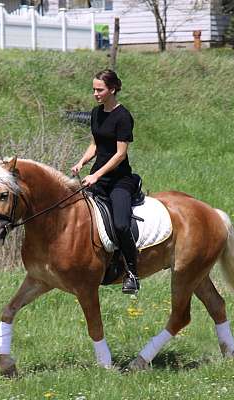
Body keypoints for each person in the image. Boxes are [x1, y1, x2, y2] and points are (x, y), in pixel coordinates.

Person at [71, 69, 140, 294]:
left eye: (99, 90)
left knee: (120, 224)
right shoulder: (96, 113)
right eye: (93, 89)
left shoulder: (123, 117)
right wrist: (81, 162)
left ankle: (132, 272)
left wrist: (97, 174)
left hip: (120, 180)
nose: (95, 94)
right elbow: (95, 144)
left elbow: (120, 154)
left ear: (112, 89)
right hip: (96, 177)